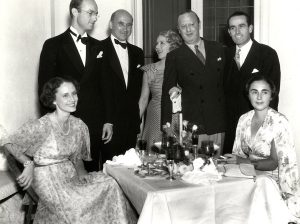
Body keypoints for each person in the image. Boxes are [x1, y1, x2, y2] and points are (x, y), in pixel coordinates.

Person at [4, 77, 137, 223]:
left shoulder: (78, 125)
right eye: (65, 95)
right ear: (53, 100)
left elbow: (76, 157)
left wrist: (82, 175)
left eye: (74, 94)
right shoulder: (42, 126)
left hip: (70, 176)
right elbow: (8, 142)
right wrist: (28, 164)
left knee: (111, 184)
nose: (73, 99)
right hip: (48, 180)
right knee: (77, 207)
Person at [38, 0, 113, 171]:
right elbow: (45, 89)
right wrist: (51, 126)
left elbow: (106, 87)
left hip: (94, 124)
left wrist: (108, 120)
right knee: (67, 174)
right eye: (90, 13)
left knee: (91, 173)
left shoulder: (99, 46)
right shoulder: (53, 45)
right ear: (74, 12)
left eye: (96, 13)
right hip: (65, 123)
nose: (94, 18)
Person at [227, 75, 299, 222]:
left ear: (271, 96)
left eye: (264, 92)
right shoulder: (243, 119)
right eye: (254, 92)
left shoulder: (279, 122)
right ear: (248, 95)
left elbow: (274, 162)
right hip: (248, 177)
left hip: (272, 182)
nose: (259, 97)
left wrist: (243, 161)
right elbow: (237, 154)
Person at [161, 10, 226, 150]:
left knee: (218, 167)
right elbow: (168, 91)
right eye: (183, 27)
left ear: (199, 24)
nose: (188, 29)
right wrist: (167, 126)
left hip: (218, 121)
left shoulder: (219, 48)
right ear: (179, 30)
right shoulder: (174, 56)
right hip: (193, 124)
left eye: (192, 24)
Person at [223, 11, 281, 154]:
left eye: (241, 26)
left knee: (259, 170)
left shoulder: (267, 54)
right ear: (229, 32)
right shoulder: (225, 55)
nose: (237, 31)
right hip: (232, 128)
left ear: (250, 28)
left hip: (258, 126)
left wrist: (266, 127)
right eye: (232, 28)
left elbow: (272, 93)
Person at [100, 9, 144, 163]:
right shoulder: (98, 49)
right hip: (108, 123)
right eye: (121, 24)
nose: (125, 29)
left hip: (131, 123)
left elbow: (139, 90)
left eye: (129, 25)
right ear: (111, 24)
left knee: (130, 168)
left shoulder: (138, 53)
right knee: (109, 167)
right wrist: (107, 120)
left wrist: (138, 121)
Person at [138, 30, 182, 150]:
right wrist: (136, 125)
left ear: (173, 46)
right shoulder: (150, 70)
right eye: (157, 43)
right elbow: (143, 100)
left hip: (176, 117)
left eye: (162, 43)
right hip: (155, 116)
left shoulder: (183, 68)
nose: (157, 47)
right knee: (152, 155)